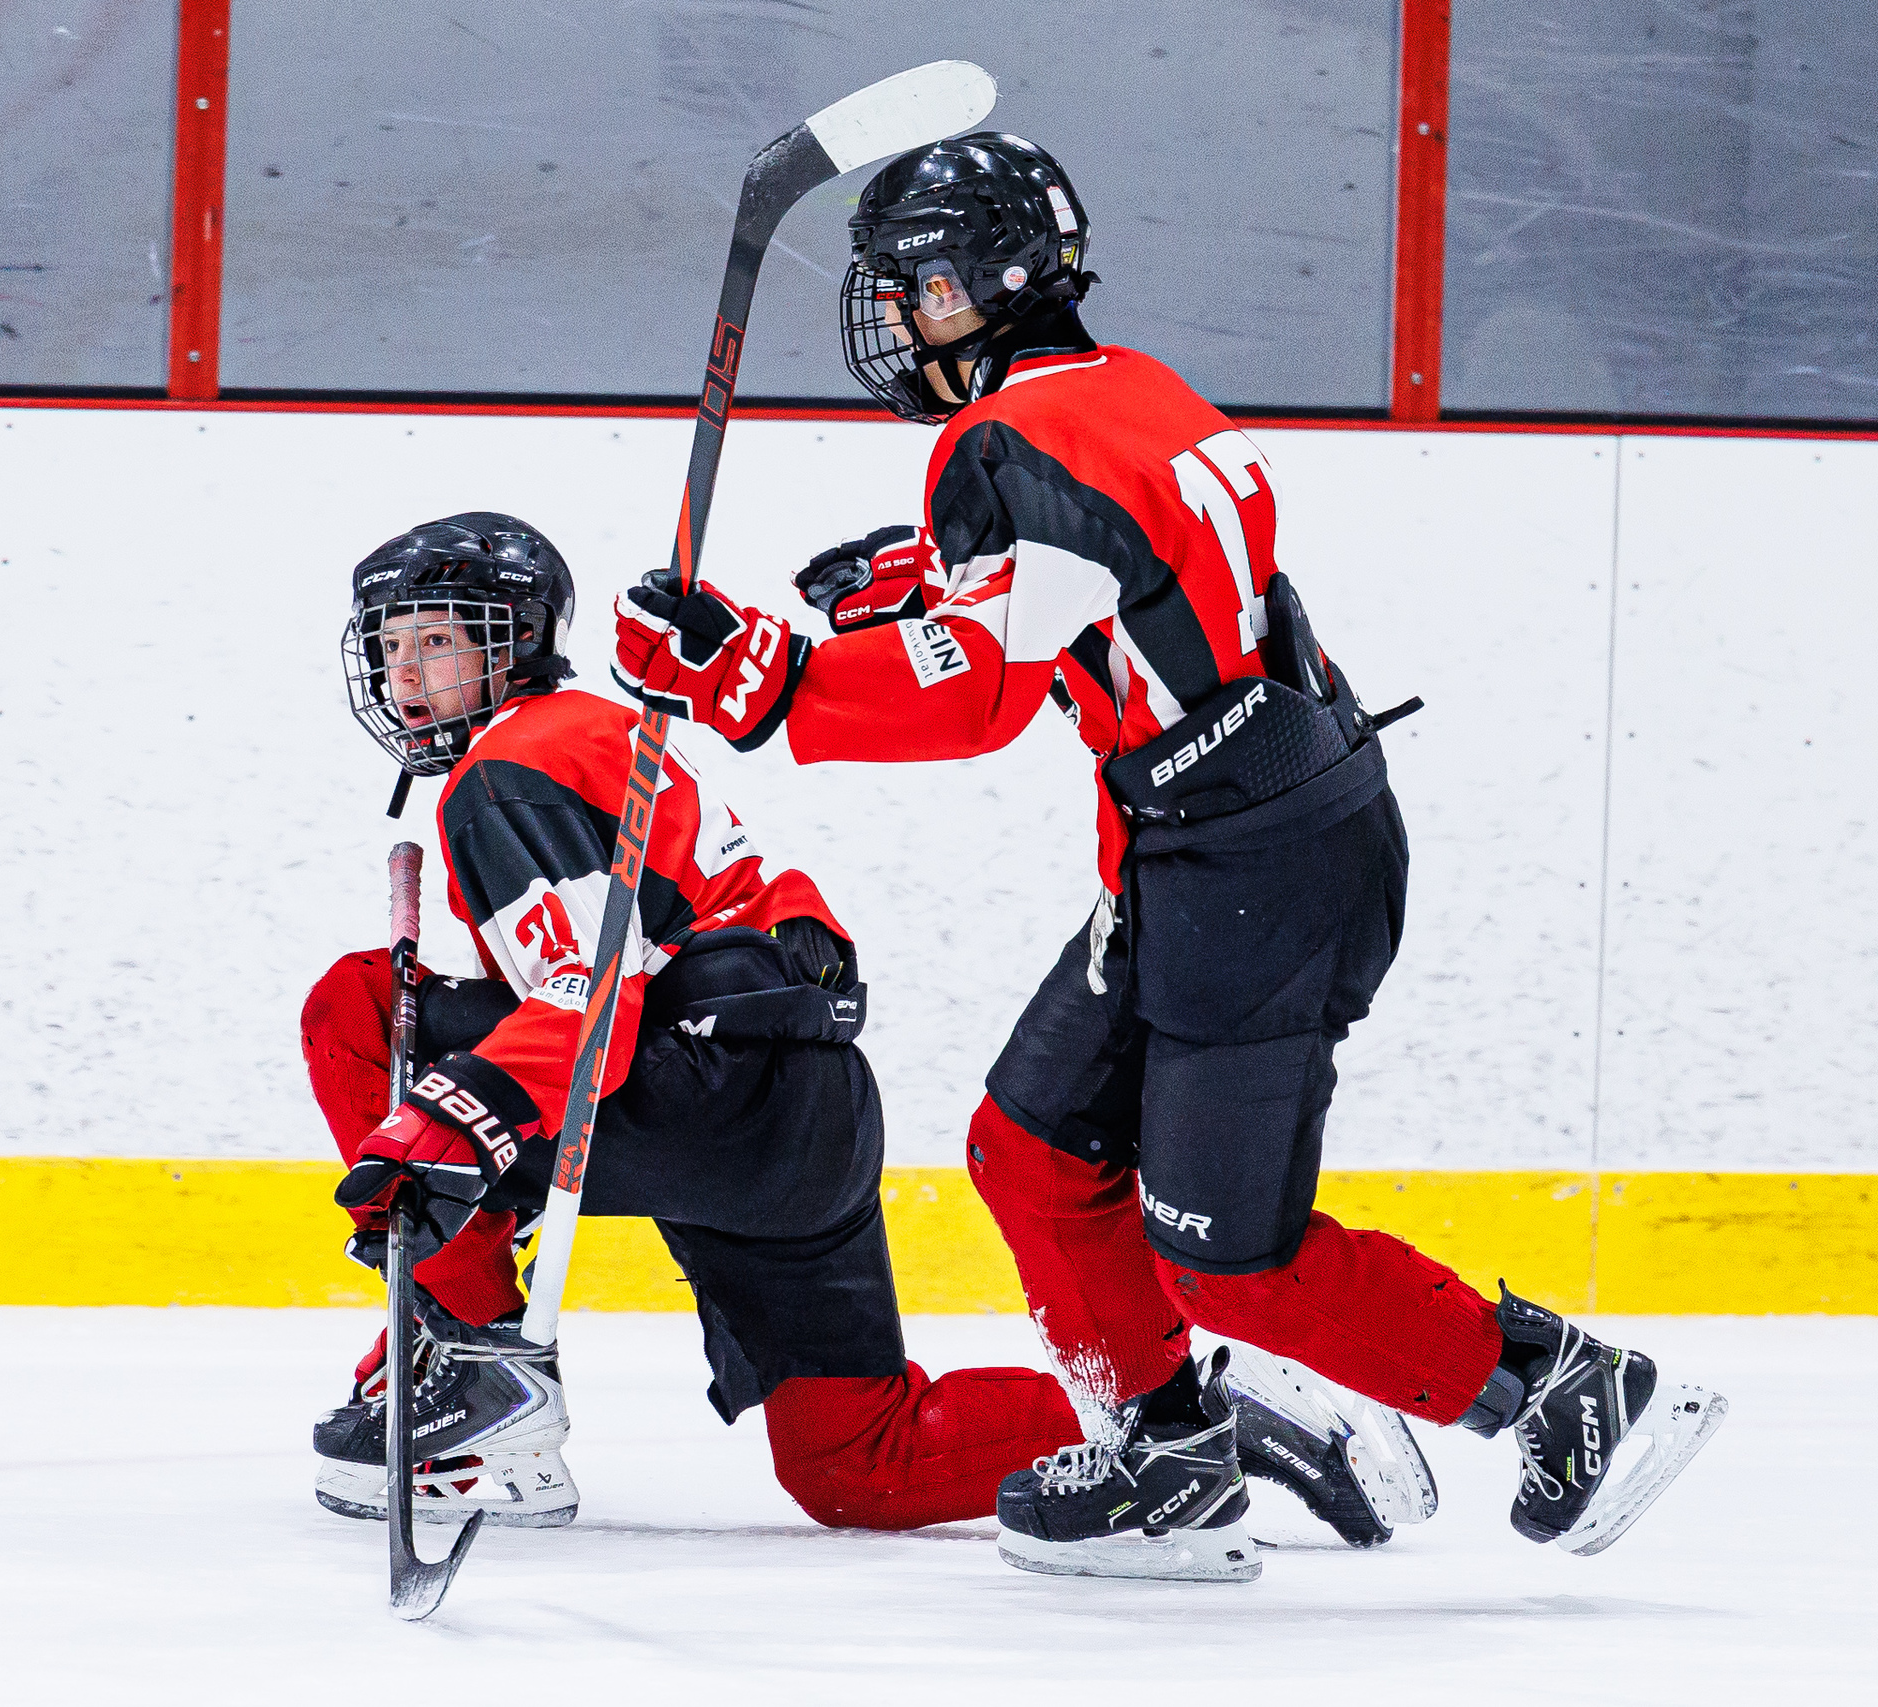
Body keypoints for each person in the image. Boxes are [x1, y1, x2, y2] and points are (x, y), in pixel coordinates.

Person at [609, 134, 1724, 1576]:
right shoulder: (1133, 387)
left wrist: (759, 678)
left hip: (1254, 879)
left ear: (989, 286)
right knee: (1029, 1149)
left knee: (1226, 1259)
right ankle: (1167, 1455)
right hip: (1230, 848)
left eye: (918, 289)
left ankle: (1567, 1388)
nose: (898, 320)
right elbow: (1137, 583)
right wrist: (937, 575)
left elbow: (977, 693)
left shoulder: (999, 446)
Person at [303, 511, 1408, 1563]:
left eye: (438, 642)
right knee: (859, 1462)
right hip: (804, 1110)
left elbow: (587, 1001)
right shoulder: (597, 735)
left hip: (706, 1088)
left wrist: (445, 1129)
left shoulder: (506, 770)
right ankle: (1185, 1420)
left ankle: (477, 1373)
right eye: (391, 650)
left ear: (516, 643)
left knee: (358, 1009)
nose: (407, 676)